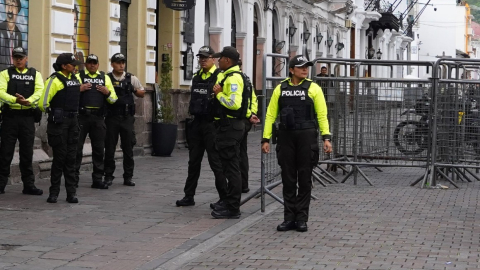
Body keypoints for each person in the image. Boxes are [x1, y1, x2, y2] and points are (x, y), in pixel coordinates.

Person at [261, 55, 332, 232]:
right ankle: (289, 218)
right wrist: (265, 138)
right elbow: (270, 115)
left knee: (305, 178)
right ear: (291, 70)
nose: (305, 69)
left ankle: (302, 218)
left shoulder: (313, 88)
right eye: (300, 67)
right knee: (288, 178)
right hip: (286, 137)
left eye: (307, 67)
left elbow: (322, 115)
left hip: (306, 136)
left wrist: (326, 137)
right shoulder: (280, 89)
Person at [175, 46, 227, 207]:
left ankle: (224, 197)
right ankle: (188, 195)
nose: (203, 60)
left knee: (215, 162)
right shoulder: (197, 76)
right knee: (193, 162)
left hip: (212, 124)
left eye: (206, 57)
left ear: (213, 59)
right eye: (201, 57)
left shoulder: (220, 76)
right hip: (197, 123)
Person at [209, 46, 250, 219]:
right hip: (229, 127)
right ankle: (229, 203)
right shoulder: (229, 76)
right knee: (229, 166)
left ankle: (233, 208)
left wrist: (218, 95)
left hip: (230, 127)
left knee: (232, 168)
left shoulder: (233, 78)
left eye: (220, 58)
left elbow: (234, 104)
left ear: (227, 60)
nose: (218, 61)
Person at [0, 47, 44, 195]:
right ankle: (1, 184)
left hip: (27, 118)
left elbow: (40, 91)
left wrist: (29, 101)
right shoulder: (5, 74)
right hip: (10, 118)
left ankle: (29, 185)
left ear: (26, 58)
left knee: (27, 152)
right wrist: (15, 100)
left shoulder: (35, 74)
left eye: (21, 57)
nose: (18, 60)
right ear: (13, 58)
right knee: (5, 152)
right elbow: (0, 91)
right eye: (16, 57)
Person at [39, 53, 82, 203]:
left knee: (71, 158)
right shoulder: (54, 80)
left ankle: (71, 193)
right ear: (64, 66)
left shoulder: (75, 79)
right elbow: (43, 103)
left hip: (73, 123)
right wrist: (54, 113)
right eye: (72, 64)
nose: (75, 66)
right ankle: (54, 193)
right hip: (59, 124)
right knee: (60, 158)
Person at [75, 54, 117, 190]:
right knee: (77, 149)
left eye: (95, 63)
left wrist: (107, 93)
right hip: (81, 117)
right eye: (90, 63)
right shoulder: (79, 76)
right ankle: (73, 178)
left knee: (99, 149)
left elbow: (113, 100)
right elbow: (69, 95)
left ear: (98, 64)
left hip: (98, 118)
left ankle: (98, 179)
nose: (92, 65)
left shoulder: (104, 78)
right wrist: (78, 89)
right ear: (86, 64)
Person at [103, 53, 145, 187]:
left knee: (128, 147)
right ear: (112, 64)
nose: (121, 65)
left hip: (127, 117)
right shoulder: (107, 78)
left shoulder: (130, 78)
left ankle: (128, 176)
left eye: (123, 62)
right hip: (111, 117)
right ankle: (108, 175)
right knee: (109, 148)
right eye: (118, 62)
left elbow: (142, 93)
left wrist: (133, 89)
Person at [236, 59, 260, 194]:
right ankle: (244, 183)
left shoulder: (235, 79)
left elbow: (239, 103)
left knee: (235, 155)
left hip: (238, 121)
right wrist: (252, 114)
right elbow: (254, 99)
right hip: (247, 120)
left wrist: (248, 115)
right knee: (242, 153)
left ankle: (239, 184)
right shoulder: (247, 79)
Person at [0, 0, 23, 70]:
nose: (9, 9)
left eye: (12, 5)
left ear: (17, 10)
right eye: (7, 5)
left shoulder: (18, 35)